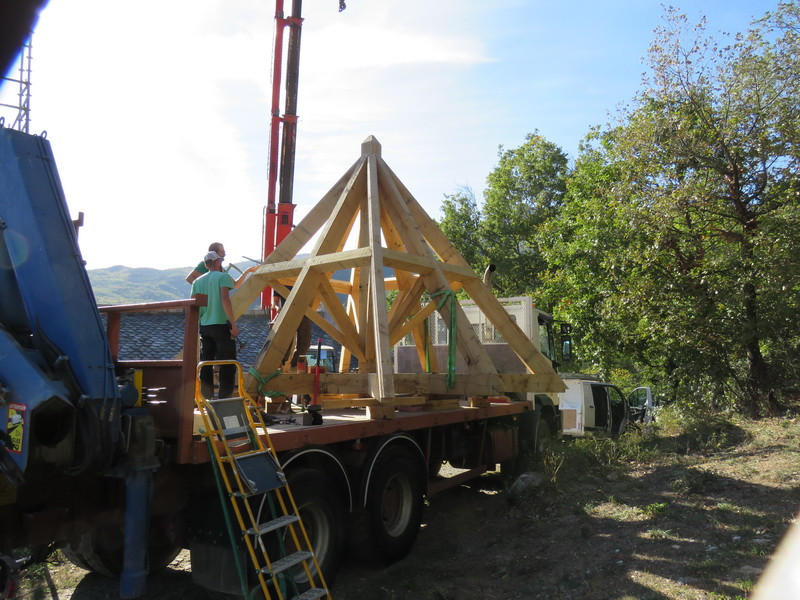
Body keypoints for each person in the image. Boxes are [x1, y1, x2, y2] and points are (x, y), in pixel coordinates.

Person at [191, 251, 239, 399]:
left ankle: (206, 397)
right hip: (221, 324)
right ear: (218, 262)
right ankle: (225, 398)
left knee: (206, 362)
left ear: (206, 265)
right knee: (227, 363)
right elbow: (225, 299)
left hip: (205, 326)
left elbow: (195, 305)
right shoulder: (223, 277)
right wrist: (233, 323)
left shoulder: (197, 282)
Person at [185, 242, 257, 287]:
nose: (224, 254)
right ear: (215, 254)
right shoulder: (203, 265)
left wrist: (247, 271)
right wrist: (205, 292)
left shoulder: (222, 271)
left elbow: (235, 284)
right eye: (222, 252)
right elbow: (189, 278)